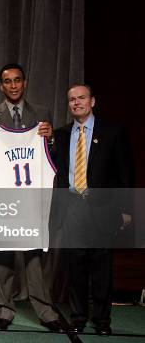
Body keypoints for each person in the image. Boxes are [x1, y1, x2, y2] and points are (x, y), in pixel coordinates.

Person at [0, 64, 62, 332]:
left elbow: (52, 157)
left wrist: (50, 140)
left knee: (33, 257)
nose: (13, 86)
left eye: (17, 80)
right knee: (2, 255)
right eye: (7, 82)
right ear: (1, 86)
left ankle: (45, 311)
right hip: (1, 196)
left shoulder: (41, 113)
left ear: (24, 83)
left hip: (30, 197)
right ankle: (4, 310)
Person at [52, 85, 133, 336]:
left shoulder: (113, 132)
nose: (76, 103)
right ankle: (77, 317)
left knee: (101, 268)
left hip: (102, 207)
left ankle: (101, 321)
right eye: (72, 100)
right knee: (75, 266)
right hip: (72, 206)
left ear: (93, 101)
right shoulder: (62, 134)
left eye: (81, 98)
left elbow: (125, 173)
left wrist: (126, 209)